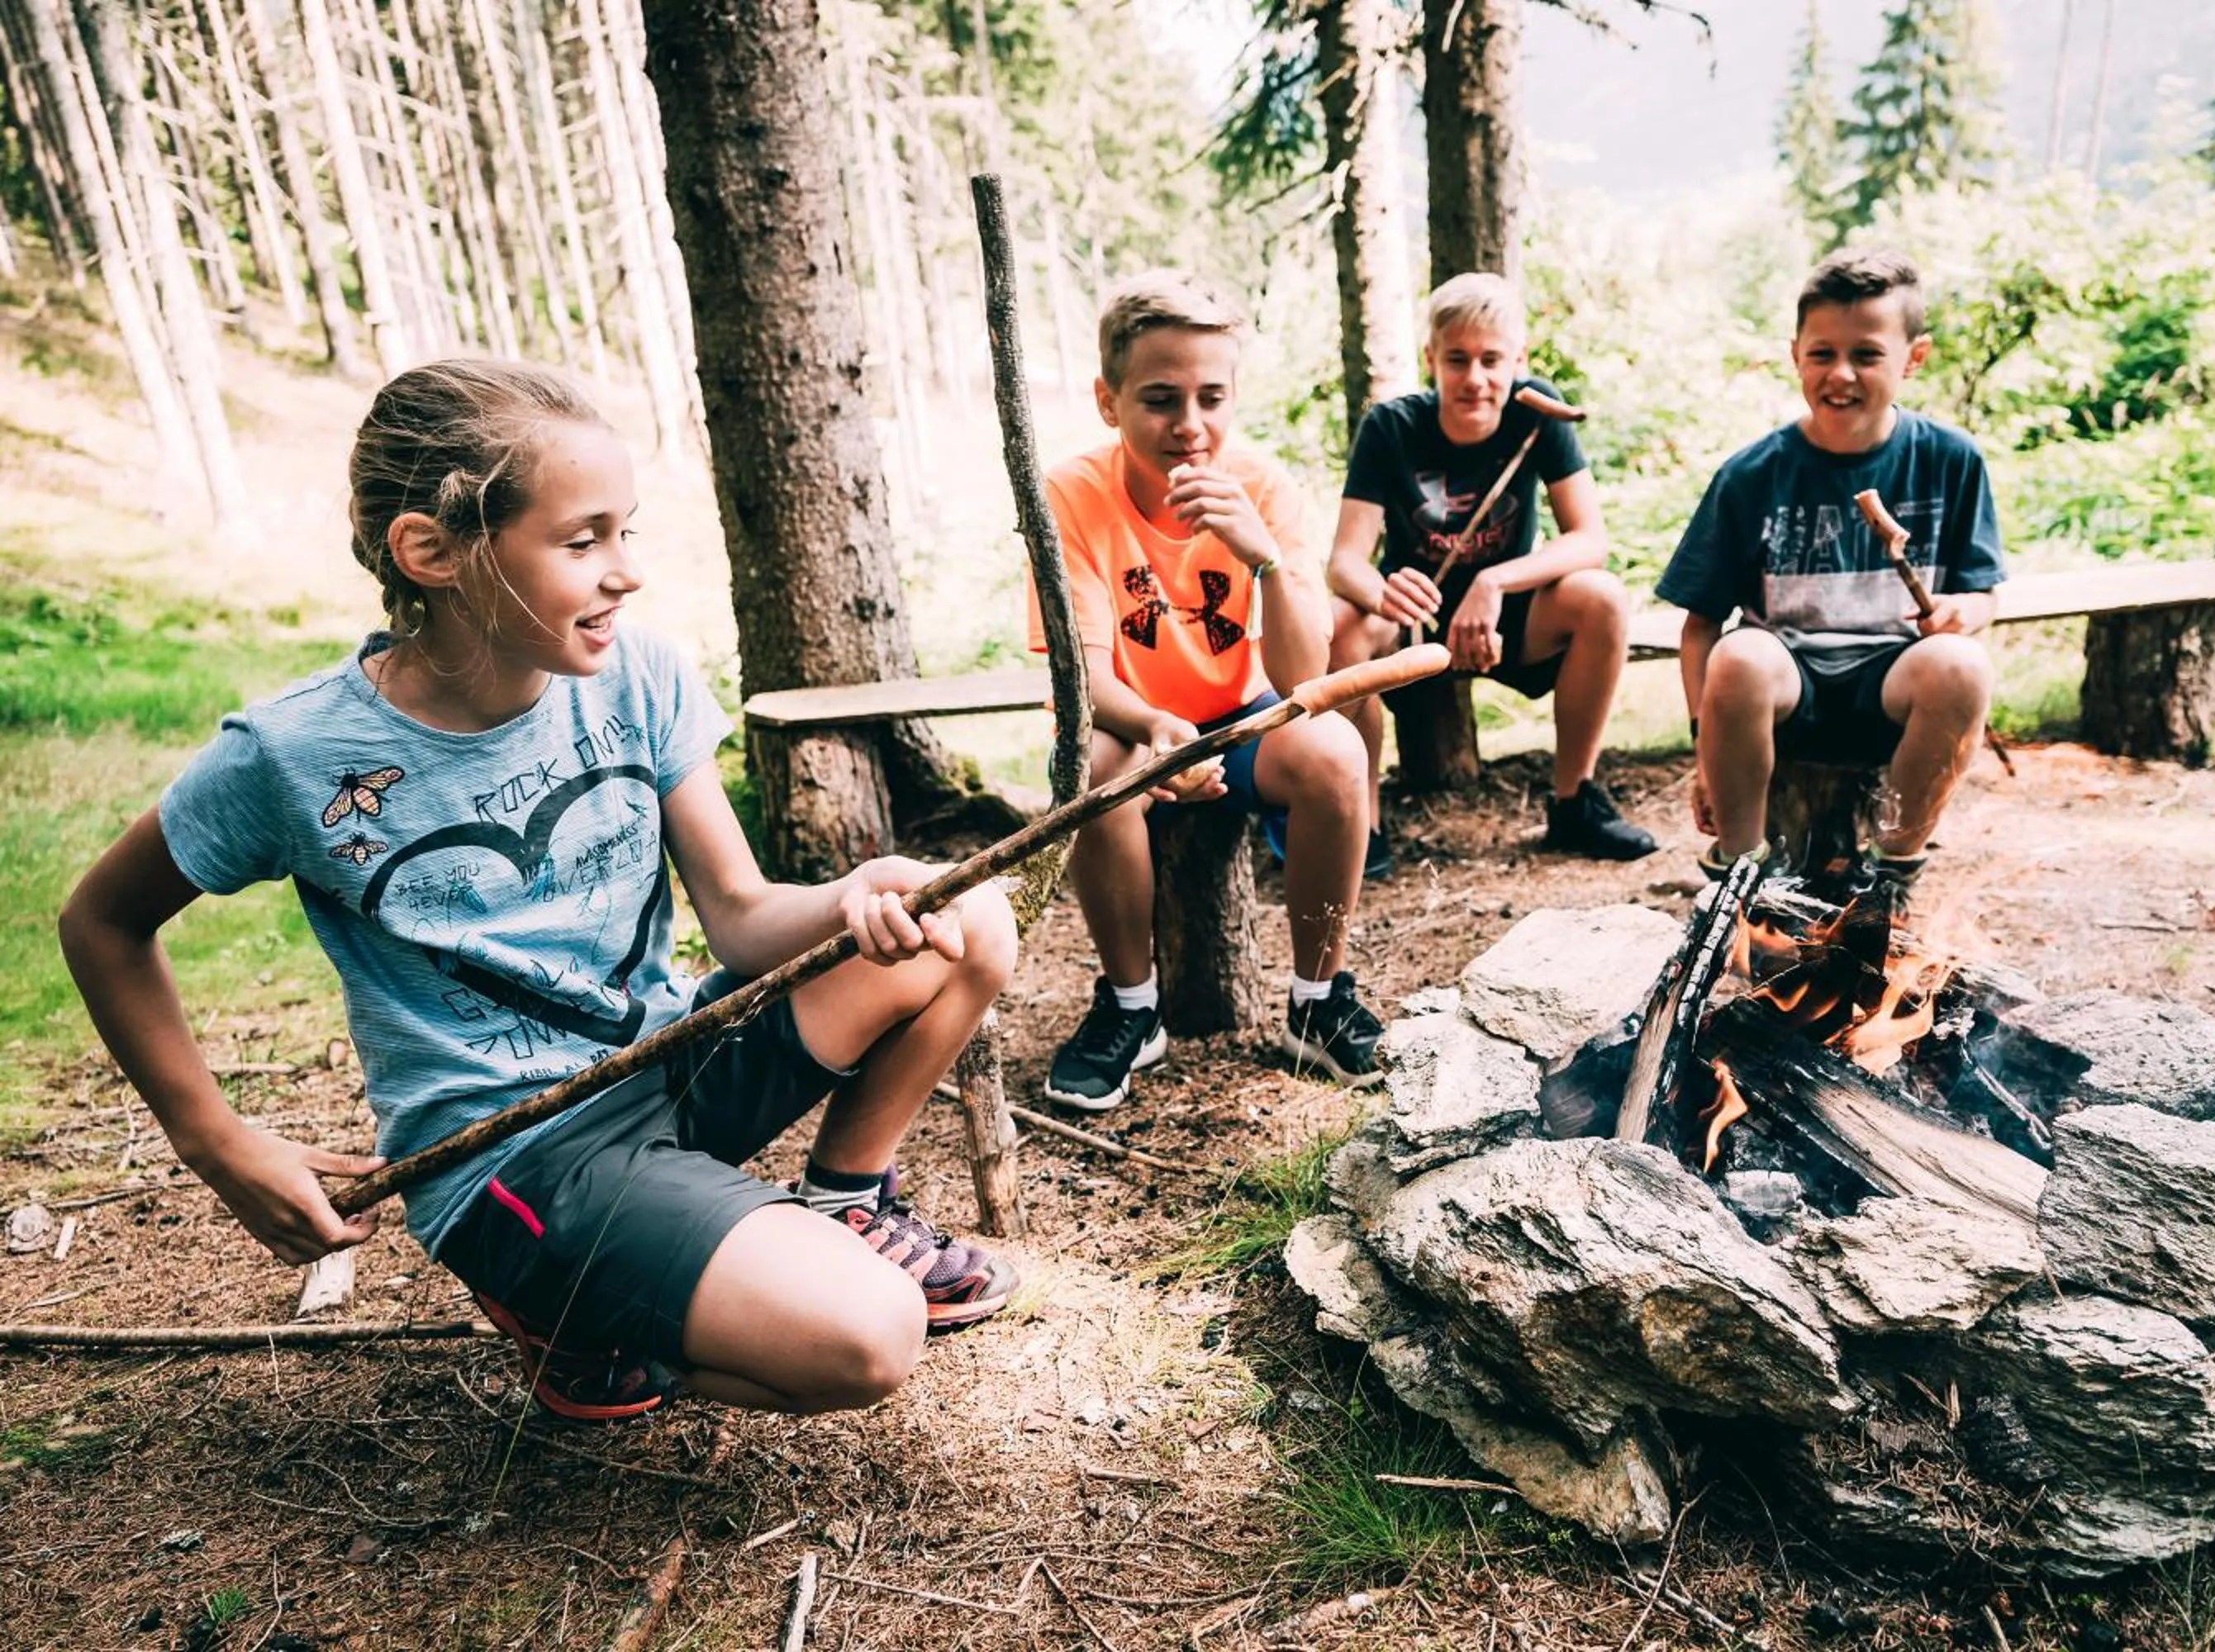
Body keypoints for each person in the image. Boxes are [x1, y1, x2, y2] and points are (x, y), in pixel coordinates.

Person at [57, 361, 1021, 1425]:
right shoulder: (293, 755)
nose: (625, 573)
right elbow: (103, 919)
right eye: (582, 540)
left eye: (627, 532)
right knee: (870, 1336)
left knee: (965, 919)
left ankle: (843, 1201)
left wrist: (853, 897)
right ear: (433, 553)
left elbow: (743, 921)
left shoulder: (640, 673)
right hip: (522, 1151)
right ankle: (569, 1311)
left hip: (669, 1058)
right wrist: (220, 1142)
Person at [1034, 271, 1384, 1112]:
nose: (1190, 427)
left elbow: (1303, 680)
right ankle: (1130, 1008)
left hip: (1246, 715)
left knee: (1337, 749)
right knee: (1090, 768)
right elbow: (1084, 673)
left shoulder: (1262, 487)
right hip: (1132, 716)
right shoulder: (1073, 493)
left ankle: (1317, 999)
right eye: (1160, 399)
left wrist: (1262, 556)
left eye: (1211, 397)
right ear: (1107, 399)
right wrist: (1163, 732)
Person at [1659, 249, 2005, 887]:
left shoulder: (1951, 460)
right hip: (1792, 690)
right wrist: (1704, 751)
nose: (1840, 374)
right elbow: (1700, 624)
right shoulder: (1751, 475)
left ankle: (1892, 871)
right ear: (1796, 355)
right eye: (1823, 354)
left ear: (1914, 357)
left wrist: (1965, 612)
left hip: (1892, 683)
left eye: (1867, 354)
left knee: (1964, 665)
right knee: (1739, 656)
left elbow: (1982, 593)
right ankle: (1741, 872)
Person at [1326, 272, 1656, 873]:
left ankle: (1574, 802)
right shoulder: (1391, 427)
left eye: (1491, 360)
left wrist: (1495, 581)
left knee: (1602, 598)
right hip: (1415, 623)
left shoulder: (1538, 415)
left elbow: (1590, 541)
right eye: (1457, 360)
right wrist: (1384, 592)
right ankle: (1359, 821)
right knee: (1344, 625)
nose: (1475, 379)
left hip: (1509, 619)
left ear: (1518, 361)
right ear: (1432, 359)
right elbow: (1345, 563)